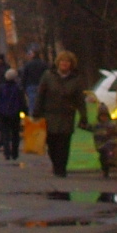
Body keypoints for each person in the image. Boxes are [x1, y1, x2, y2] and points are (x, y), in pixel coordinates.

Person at [36, 50, 87, 178]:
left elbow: (80, 100)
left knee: (64, 144)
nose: (65, 64)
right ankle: (56, 164)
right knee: (51, 143)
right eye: (63, 61)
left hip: (66, 116)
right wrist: (36, 112)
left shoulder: (76, 79)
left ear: (71, 64)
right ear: (58, 63)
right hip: (49, 115)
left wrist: (83, 116)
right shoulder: (48, 76)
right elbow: (40, 95)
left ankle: (61, 168)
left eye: (68, 62)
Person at [0, 61, 27, 163]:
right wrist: (24, 112)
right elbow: (22, 102)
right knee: (15, 134)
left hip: (3, 114)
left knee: (5, 133)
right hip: (15, 114)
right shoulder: (18, 89)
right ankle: (15, 153)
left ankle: (6, 152)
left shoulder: (1, 88)